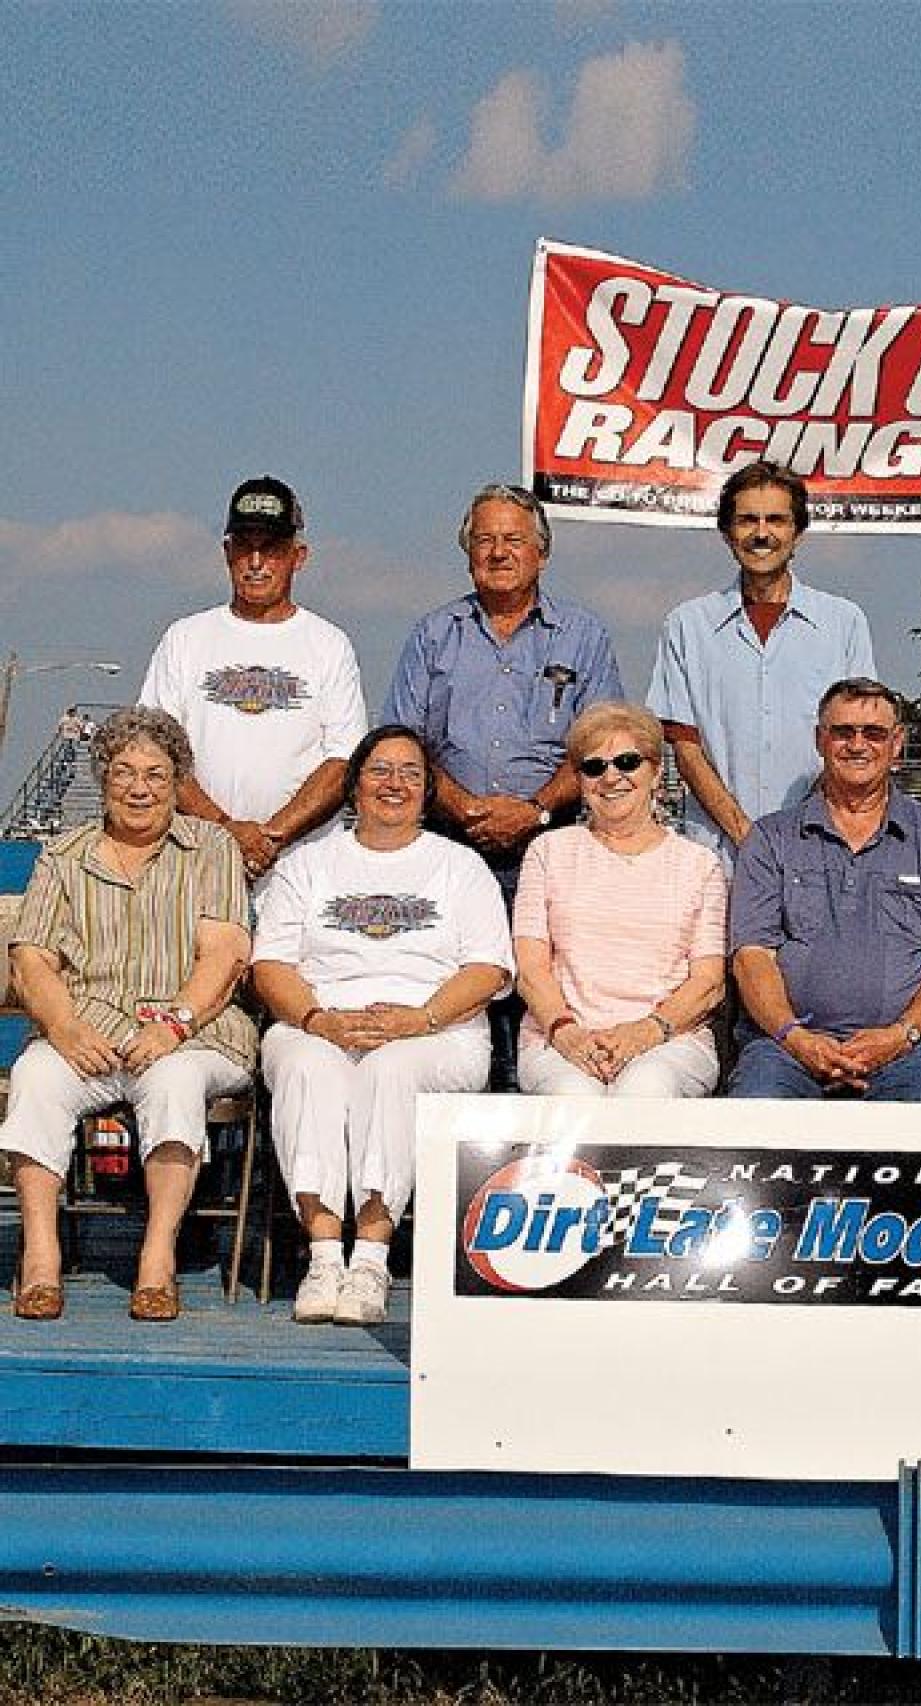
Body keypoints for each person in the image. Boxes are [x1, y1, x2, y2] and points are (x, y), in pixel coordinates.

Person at [251, 725, 512, 1326]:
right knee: (302, 1064)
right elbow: (271, 965)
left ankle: (371, 1257)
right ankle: (324, 1256)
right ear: (353, 786)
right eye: (380, 771)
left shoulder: (460, 866)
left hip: (438, 1029)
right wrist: (318, 1020)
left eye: (411, 773)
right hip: (321, 1020)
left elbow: (487, 968)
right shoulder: (307, 865)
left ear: (427, 792)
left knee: (391, 1068)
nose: (395, 784)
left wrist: (418, 1019)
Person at [1, 709, 255, 1322]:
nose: (139, 788)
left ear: (177, 782)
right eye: (123, 772)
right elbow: (31, 959)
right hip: (85, 1031)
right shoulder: (63, 855)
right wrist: (64, 1028)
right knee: (35, 1076)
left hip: (194, 1034)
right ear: (103, 778)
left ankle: (157, 1258)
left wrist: (174, 1024)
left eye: (156, 774)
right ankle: (40, 1259)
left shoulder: (212, 847)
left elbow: (224, 954)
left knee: (174, 1079)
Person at [382, 482, 622, 1086]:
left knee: (543, 992)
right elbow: (402, 742)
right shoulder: (434, 634)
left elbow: (602, 744)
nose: (498, 552)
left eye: (513, 539)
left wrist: (535, 811)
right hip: (449, 845)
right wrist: (463, 807)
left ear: (542, 551)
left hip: (553, 844)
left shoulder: (583, 636)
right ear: (467, 553)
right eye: (484, 540)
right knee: (456, 990)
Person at [728, 677, 921, 1100]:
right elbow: (752, 956)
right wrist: (796, 1039)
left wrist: (900, 1036)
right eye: (843, 732)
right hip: (785, 1050)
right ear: (820, 740)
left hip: (908, 1051)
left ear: (897, 743)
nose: (857, 745)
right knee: (757, 1103)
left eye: (874, 733)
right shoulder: (771, 839)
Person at [140, 476, 367, 885]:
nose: (256, 562)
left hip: (299, 869)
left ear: (298, 556)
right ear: (227, 552)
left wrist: (271, 836)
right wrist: (225, 831)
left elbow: (342, 760)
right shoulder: (184, 639)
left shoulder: (329, 645)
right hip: (195, 865)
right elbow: (156, 750)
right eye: (245, 546)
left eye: (272, 549)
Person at [648, 461, 876, 866]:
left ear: (798, 533)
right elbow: (685, 749)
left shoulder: (844, 623)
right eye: (747, 520)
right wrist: (748, 836)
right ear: (726, 532)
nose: (761, 533)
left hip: (818, 850)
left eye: (776, 520)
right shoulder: (687, 625)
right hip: (715, 855)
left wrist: (792, 834)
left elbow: (851, 743)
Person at [514, 703, 726, 1097]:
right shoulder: (548, 852)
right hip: (560, 1037)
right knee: (572, 1094)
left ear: (656, 772)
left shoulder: (699, 864)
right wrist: (566, 1032)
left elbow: (708, 982)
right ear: (580, 781)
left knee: (646, 1087)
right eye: (594, 767)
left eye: (628, 762)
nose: (611, 777)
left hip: (670, 1040)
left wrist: (646, 1032)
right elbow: (530, 970)